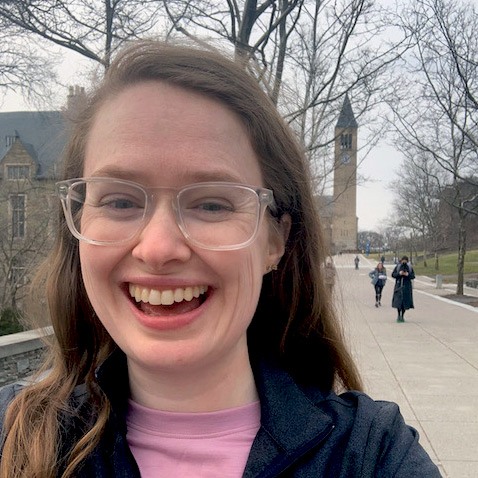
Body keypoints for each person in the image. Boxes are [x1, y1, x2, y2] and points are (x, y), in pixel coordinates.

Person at [0, 40, 441, 477]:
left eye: (212, 204)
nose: (157, 248)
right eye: (118, 201)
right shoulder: (13, 438)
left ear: (276, 239)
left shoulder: (371, 456)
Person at [392, 255, 416, 322]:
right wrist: (399, 274)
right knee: (398, 302)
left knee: (405, 303)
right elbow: (393, 275)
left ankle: (402, 316)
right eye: (403, 260)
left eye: (405, 260)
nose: (404, 262)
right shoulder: (398, 267)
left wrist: (407, 275)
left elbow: (413, 276)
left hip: (407, 287)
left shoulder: (410, 267)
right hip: (399, 286)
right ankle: (398, 315)